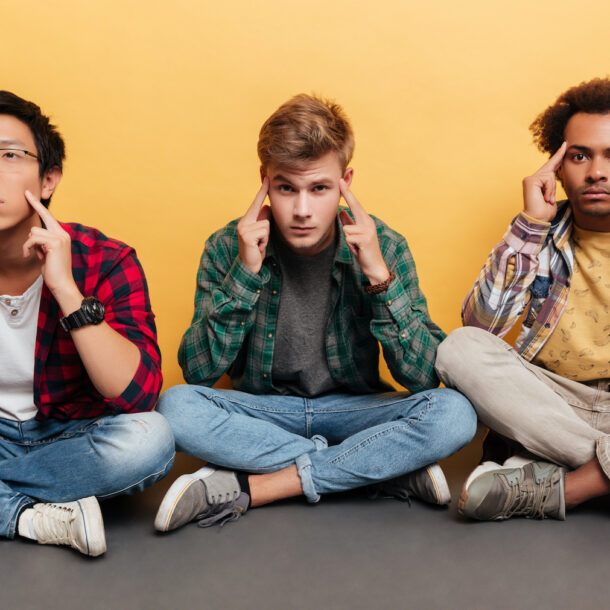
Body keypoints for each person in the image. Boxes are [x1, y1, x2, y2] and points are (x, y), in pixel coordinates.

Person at [155, 94, 476, 532]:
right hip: (266, 413)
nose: (302, 210)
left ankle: (263, 484)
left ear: (345, 181)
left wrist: (378, 276)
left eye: (319, 188)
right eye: (287, 187)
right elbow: (198, 371)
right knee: (175, 407)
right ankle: (375, 467)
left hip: (358, 411)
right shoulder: (230, 246)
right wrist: (246, 272)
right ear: (264, 180)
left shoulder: (385, 244)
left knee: (454, 412)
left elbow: (422, 377)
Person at [0, 91, 174, 556]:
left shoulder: (106, 259)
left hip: (69, 435)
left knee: (150, 440)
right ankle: (30, 517)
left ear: (49, 178)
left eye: (9, 156)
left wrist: (66, 290)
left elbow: (138, 395)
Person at [436, 77, 610, 521]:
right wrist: (530, 227)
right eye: (579, 155)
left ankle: (564, 486)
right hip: (548, 405)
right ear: (557, 165)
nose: (596, 172)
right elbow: (482, 328)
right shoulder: (542, 237)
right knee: (458, 348)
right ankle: (596, 474)